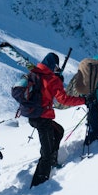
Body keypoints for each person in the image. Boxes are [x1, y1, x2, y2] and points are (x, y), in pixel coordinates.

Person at [28, 52, 86, 187]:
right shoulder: (53, 80)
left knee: (58, 131)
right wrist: (83, 100)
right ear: (53, 66)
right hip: (43, 119)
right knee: (46, 153)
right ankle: (39, 183)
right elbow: (64, 100)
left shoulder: (35, 73)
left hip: (33, 116)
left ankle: (52, 160)